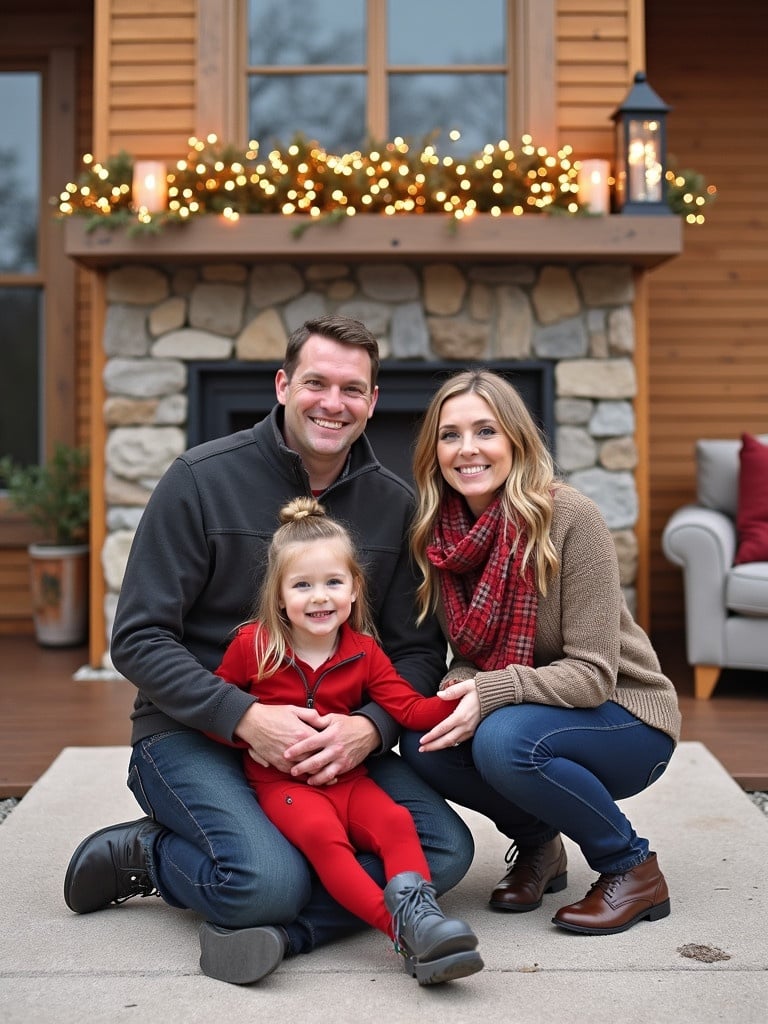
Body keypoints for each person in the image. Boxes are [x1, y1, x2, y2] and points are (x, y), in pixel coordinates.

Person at [63, 315, 474, 984]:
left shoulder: (394, 508)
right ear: (283, 385)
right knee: (263, 882)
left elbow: (417, 654)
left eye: (351, 388)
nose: (332, 403)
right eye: (316, 382)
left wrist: (369, 730)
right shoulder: (199, 479)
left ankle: (287, 936)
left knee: (444, 851)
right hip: (192, 733)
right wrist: (247, 718)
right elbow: (137, 637)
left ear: (372, 402)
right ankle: (149, 854)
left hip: (334, 742)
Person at [398, 368, 682, 936]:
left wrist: (488, 691)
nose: (467, 449)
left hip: (627, 718)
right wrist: (461, 684)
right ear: (434, 451)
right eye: (450, 435)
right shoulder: (442, 536)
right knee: (425, 742)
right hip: (541, 710)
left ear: (516, 442)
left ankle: (632, 867)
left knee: (505, 740)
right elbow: (471, 653)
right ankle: (539, 848)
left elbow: (593, 674)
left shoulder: (569, 517)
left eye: (485, 431)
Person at [208, 496, 482, 984]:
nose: (320, 597)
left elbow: (408, 709)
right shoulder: (254, 646)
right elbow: (217, 710)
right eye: (303, 585)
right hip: (284, 786)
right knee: (322, 837)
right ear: (279, 596)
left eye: (333, 583)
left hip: (349, 780)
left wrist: (468, 696)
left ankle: (422, 917)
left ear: (355, 589)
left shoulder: (365, 652)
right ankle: (401, 930)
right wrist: (244, 733)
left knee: (397, 821)